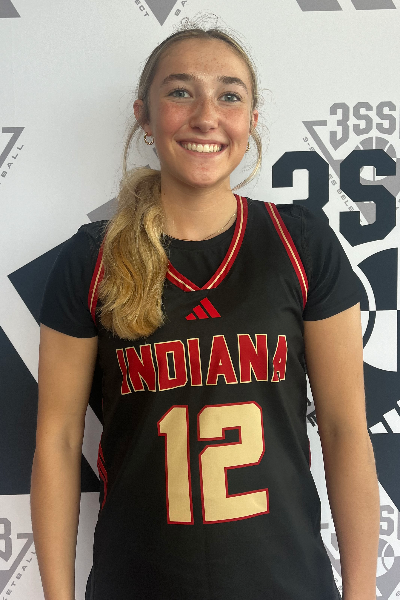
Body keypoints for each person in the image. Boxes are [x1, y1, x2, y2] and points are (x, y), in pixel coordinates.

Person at [30, 21, 380, 600]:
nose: (206, 116)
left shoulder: (301, 243)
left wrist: (362, 592)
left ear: (252, 120)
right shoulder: (92, 259)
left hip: (288, 586)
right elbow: (59, 439)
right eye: (180, 91)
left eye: (229, 96)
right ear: (144, 116)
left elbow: (345, 431)